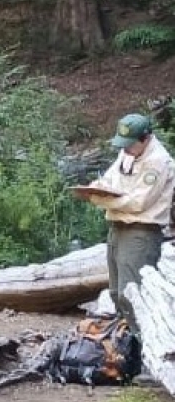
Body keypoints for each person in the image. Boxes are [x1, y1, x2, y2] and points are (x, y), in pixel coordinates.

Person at [74, 113, 174, 332]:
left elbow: (139, 202)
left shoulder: (158, 161)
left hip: (141, 232)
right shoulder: (127, 153)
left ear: (145, 139)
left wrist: (100, 200)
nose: (125, 149)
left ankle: (141, 347)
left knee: (132, 293)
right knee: (115, 293)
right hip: (117, 227)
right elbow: (110, 179)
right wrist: (95, 188)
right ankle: (123, 343)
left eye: (130, 145)